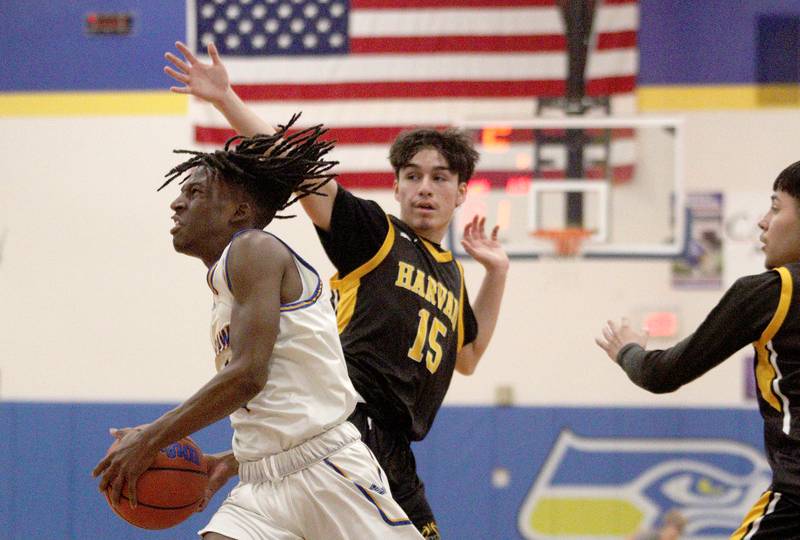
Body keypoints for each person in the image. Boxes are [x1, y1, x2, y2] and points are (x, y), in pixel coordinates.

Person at [164, 41, 509, 538]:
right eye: (412, 176)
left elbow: (469, 356)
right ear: (396, 187)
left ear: (461, 192)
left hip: (393, 447)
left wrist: (497, 274)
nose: (425, 188)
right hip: (353, 425)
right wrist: (225, 100)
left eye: (440, 178)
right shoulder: (377, 235)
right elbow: (302, 170)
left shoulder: (451, 273)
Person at [92, 119, 423, 539]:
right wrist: (229, 461)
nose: (177, 203)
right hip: (261, 482)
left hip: (329, 473)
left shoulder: (253, 249)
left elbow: (248, 375)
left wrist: (151, 439)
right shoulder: (228, 279)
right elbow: (280, 398)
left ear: (240, 212)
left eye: (195, 192)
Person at [596, 160, 800, 538]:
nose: (762, 221)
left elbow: (661, 374)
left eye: (775, 207)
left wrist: (628, 351)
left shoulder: (771, 293)